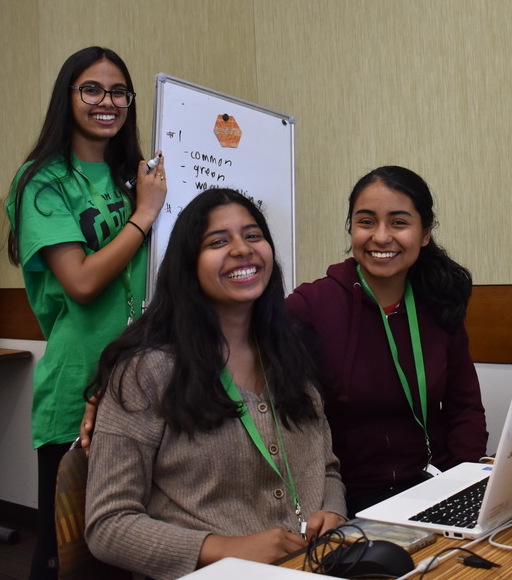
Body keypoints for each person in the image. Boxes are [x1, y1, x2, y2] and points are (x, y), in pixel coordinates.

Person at [84, 188, 346, 579]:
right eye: (218, 241)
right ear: (188, 265)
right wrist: (222, 549)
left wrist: (334, 511)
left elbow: (325, 469)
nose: (242, 249)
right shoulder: (147, 371)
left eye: (254, 235)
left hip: (310, 566)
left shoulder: (292, 355)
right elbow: (107, 524)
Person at [5, 46, 167, 578]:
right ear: (67, 97)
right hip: (78, 385)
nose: (107, 101)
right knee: (67, 556)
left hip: (149, 380)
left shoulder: (138, 175)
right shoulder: (43, 181)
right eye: (92, 89)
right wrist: (144, 214)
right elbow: (80, 281)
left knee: (136, 546)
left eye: (119, 91)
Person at [285, 165, 488, 517]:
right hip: (346, 503)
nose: (381, 237)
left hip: (436, 487)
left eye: (398, 222)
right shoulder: (309, 307)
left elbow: (464, 407)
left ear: (425, 233)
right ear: (351, 229)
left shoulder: (440, 300)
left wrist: (465, 483)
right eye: (366, 222)